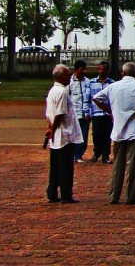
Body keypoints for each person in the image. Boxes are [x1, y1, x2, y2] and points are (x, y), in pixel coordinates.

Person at [91, 62, 135, 205]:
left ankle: (114, 195)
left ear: (122, 73)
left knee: (118, 164)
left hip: (118, 131)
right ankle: (131, 196)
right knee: (134, 166)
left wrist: (110, 111)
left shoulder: (113, 86)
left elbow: (96, 98)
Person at [45, 64, 83, 203]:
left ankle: (52, 192)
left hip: (57, 135)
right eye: (67, 75)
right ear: (60, 77)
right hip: (64, 134)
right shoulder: (62, 92)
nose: (69, 78)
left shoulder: (52, 91)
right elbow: (60, 113)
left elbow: (49, 113)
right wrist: (53, 129)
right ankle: (66, 194)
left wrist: (50, 128)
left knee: (55, 166)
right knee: (66, 166)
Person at [88, 61, 114, 163]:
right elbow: (88, 98)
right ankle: (96, 153)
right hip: (96, 113)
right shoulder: (92, 83)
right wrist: (88, 112)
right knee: (96, 134)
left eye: (104, 69)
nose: (101, 71)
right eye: (100, 69)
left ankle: (106, 155)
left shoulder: (112, 83)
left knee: (107, 134)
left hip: (108, 114)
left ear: (108, 70)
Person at [69, 60, 92, 163]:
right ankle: (72, 154)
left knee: (83, 135)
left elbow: (91, 98)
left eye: (84, 69)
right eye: (81, 69)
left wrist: (88, 112)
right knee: (73, 135)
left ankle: (79, 155)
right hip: (73, 114)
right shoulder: (69, 82)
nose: (84, 71)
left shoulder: (88, 82)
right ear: (76, 69)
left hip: (85, 114)